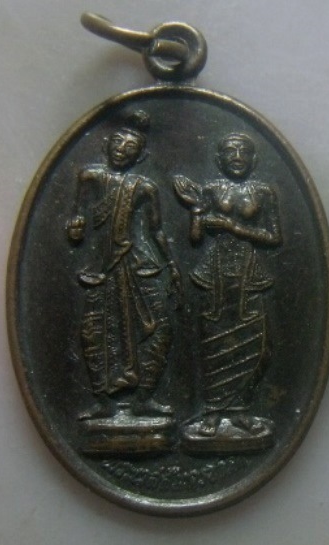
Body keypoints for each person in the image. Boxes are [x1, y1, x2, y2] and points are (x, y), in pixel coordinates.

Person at [67, 110, 182, 420]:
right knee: (95, 331)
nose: (122, 150)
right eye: (118, 143)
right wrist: (76, 226)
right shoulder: (89, 177)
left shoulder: (144, 187)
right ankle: (102, 401)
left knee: (158, 329)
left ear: (140, 156)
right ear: (107, 144)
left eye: (130, 148)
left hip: (138, 264)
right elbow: (77, 217)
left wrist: (172, 266)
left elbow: (157, 231)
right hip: (100, 268)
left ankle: (145, 397)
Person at [175, 132, 281, 439]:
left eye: (243, 151)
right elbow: (196, 239)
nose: (236, 157)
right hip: (215, 271)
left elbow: (274, 237)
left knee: (255, 343)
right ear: (219, 159)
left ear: (253, 159)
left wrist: (232, 226)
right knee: (213, 340)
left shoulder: (263, 192)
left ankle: (241, 411)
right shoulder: (210, 189)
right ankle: (212, 411)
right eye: (230, 151)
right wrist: (196, 213)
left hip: (250, 273)